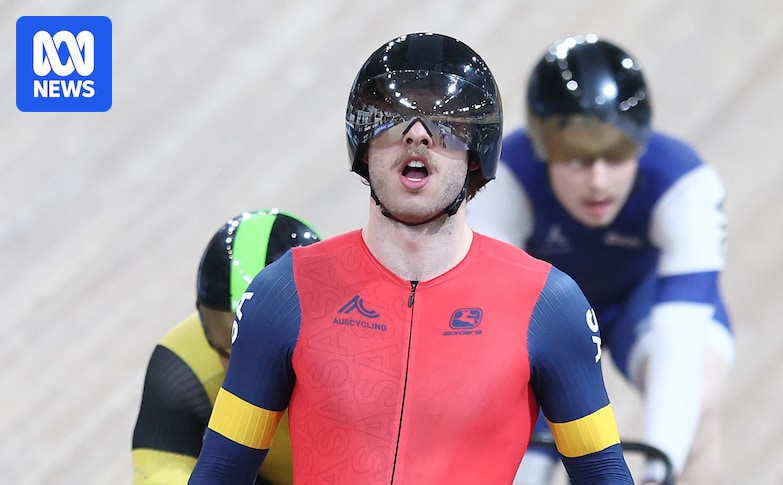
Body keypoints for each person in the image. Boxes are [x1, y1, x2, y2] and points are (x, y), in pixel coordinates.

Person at [189, 32, 633, 484]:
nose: (417, 134)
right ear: (363, 146)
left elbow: (602, 471)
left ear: (477, 152)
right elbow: (220, 472)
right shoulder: (284, 293)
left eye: (444, 122)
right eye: (392, 118)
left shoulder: (548, 304)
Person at [466, 34, 735, 485]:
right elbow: (494, 337)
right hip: (544, 311)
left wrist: (657, 470)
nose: (598, 181)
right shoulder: (504, 180)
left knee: (697, 411)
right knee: (513, 444)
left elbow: (680, 334)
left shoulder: (684, 183)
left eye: (616, 155)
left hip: (644, 303)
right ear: (541, 149)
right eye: (576, 159)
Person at [131, 209, 321, 485]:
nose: (257, 360)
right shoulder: (184, 366)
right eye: (231, 334)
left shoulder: (383, 332)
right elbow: (158, 473)